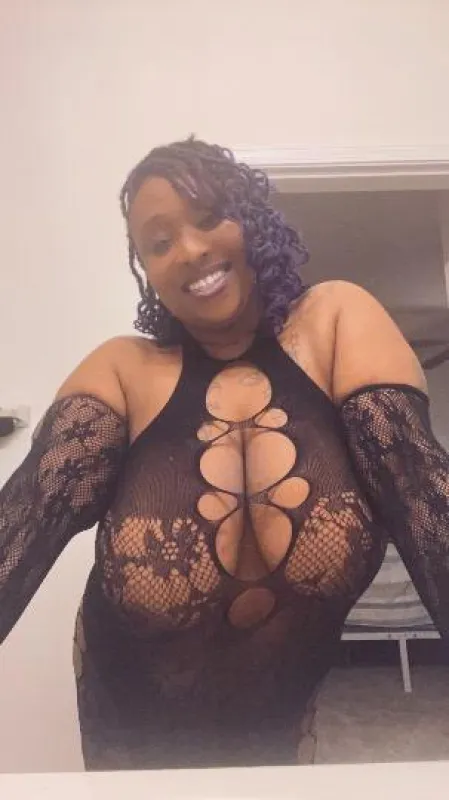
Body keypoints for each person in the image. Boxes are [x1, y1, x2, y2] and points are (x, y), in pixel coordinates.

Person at [1, 137, 448, 771]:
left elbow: (426, 505)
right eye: (160, 243)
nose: (190, 250)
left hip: (280, 733)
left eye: (209, 217)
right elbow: (18, 531)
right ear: (146, 271)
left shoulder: (336, 321)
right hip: (130, 732)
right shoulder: (123, 371)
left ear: (252, 220)